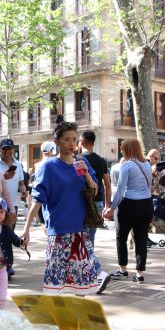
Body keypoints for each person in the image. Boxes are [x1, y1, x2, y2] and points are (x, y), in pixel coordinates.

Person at [21, 121, 99, 295]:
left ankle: (77, 320)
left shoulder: (82, 162)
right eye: (66, 139)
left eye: (74, 139)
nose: (72, 144)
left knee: (81, 286)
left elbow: (94, 191)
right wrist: (26, 229)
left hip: (80, 230)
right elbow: (37, 200)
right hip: (58, 232)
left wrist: (86, 174)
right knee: (57, 286)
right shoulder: (48, 167)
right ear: (56, 142)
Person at [104, 139, 153, 283]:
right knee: (141, 239)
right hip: (146, 204)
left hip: (129, 204)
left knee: (121, 237)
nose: (121, 150)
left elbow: (120, 190)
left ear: (128, 149)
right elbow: (149, 185)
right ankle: (140, 273)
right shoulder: (147, 164)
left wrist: (112, 208)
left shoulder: (126, 165)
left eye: (122, 148)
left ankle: (123, 270)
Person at [79, 130, 112, 294]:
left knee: (83, 242)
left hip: (84, 203)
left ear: (83, 141)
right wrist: (107, 204)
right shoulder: (101, 160)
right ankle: (90, 274)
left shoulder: (79, 159)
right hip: (98, 203)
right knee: (89, 241)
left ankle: (97, 273)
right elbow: (107, 183)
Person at [0, 138, 27, 277]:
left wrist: (24, 190)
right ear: (0, 150)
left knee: (7, 235)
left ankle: (7, 266)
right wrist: (3, 176)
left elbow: (20, 182)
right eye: (4, 149)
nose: (7, 152)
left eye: (9, 149)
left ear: (13, 150)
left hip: (13, 204)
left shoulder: (18, 164)